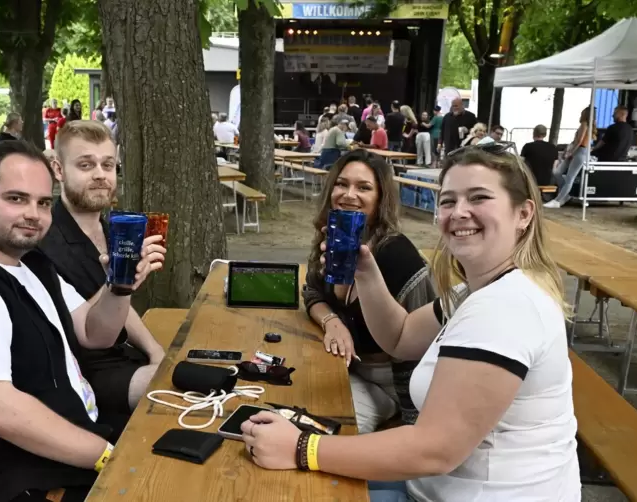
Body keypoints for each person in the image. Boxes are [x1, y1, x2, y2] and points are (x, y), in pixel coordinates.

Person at [240, 144, 581, 502]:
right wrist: (366, 273)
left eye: (478, 197)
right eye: (448, 201)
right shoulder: (475, 292)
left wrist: (302, 447)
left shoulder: (504, 308)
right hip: (434, 487)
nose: (459, 212)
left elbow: (434, 449)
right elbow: (401, 337)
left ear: (524, 213)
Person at [0, 140, 165, 501]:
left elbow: (95, 333)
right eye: (16, 199)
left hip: (69, 443)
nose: (33, 213)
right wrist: (108, 456)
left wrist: (120, 287)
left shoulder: (31, 263)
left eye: (43, 202)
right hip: (4, 481)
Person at [40, 120, 166, 433]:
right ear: (58, 170)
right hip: (81, 376)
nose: (100, 174)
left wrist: (157, 353)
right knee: (182, 391)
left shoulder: (112, 229)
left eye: (108, 165)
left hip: (123, 358)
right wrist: (120, 280)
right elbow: (95, 335)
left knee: (198, 376)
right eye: (86, 164)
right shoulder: (43, 242)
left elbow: (122, 307)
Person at [303, 150, 434, 433]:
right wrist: (332, 321)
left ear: (380, 198)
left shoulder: (398, 257)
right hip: (344, 367)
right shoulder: (334, 236)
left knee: (325, 433)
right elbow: (311, 292)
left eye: (364, 187)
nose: (349, 194)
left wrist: (414, 427)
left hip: (390, 384)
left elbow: (425, 350)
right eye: (342, 184)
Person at [544, 106, 596, 209]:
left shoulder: (584, 124)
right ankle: (564, 195)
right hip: (579, 151)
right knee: (559, 173)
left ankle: (558, 200)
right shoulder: (589, 126)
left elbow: (579, 141)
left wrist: (571, 152)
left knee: (569, 177)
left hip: (579, 151)